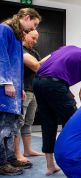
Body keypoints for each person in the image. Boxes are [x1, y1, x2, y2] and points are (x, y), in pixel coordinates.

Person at [33, 43, 81, 176]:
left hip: (38, 82)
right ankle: (80, 164)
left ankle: (50, 165)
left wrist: (63, 90)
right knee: (76, 124)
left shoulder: (69, 47)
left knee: (48, 123)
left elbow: (41, 62)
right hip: (55, 85)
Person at [0, 8, 41, 175]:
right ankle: (1, 162)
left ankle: (9, 158)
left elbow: (18, 66)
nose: (33, 29)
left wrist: (21, 88)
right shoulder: (5, 29)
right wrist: (7, 82)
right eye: (34, 25)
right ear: (26, 17)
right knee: (3, 127)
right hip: (5, 88)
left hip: (15, 88)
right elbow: (1, 57)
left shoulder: (17, 36)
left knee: (12, 126)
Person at [14, 30, 44, 164]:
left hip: (34, 91)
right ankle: (16, 153)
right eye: (33, 38)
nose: (35, 41)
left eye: (36, 39)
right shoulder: (18, 48)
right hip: (23, 90)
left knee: (28, 123)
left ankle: (28, 150)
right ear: (25, 34)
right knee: (18, 123)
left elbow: (41, 68)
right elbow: (37, 66)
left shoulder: (34, 52)